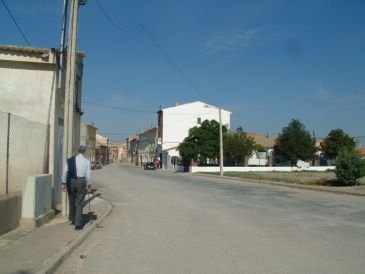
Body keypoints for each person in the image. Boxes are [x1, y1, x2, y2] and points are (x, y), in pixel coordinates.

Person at [62, 145, 92, 230]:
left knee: (71, 200)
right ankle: (78, 224)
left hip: (71, 181)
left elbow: (65, 172)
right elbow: (88, 175)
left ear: (78, 151)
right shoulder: (86, 161)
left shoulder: (71, 160)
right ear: (84, 151)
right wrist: (89, 185)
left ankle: (72, 219)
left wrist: (63, 183)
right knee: (80, 202)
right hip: (81, 181)